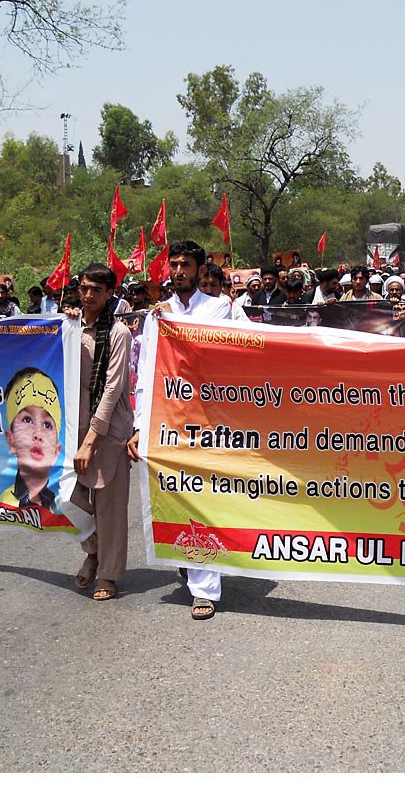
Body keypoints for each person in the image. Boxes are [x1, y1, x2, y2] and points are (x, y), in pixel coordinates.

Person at [129, 239, 231, 620]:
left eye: (185, 265)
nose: (178, 272)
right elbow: (148, 372)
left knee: (203, 496)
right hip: (166, 417)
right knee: (171, 493)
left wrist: (170, 321)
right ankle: (190, 557)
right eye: (173, 265)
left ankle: (205, 588)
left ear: (200, 270)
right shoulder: (158, 315)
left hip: (207, 419)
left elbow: (209, 353)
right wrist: (140, 425)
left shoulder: (219, 308)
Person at [68, 264, 133, 601]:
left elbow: (112, 388)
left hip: (109, 431)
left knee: (110, 506)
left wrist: (92, 439)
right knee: (68, 498)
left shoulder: (119, 333)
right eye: (83, 288)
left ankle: (107, 573)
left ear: (110, 294)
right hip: (71, 428)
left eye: (96, 289)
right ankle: (93, 551)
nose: (88, 295)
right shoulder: (68, 328)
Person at [0, 367, 62, 512]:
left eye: (47, 424)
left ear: (56, 450)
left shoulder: (64, 502)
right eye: (27, 420)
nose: (37, 434)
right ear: (11, 440)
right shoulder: (4, 505)